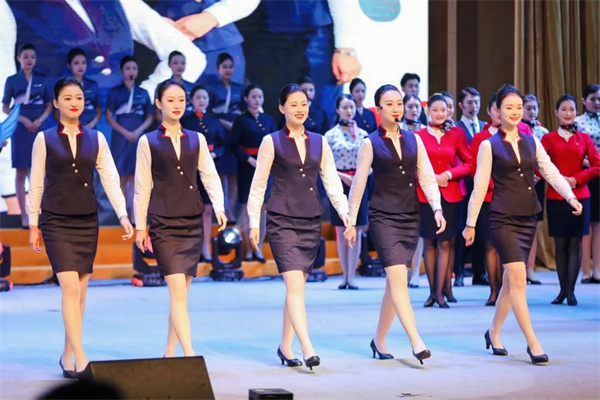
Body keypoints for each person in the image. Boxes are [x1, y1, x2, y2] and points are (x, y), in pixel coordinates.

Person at [464, 84, 582, 364]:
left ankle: (493, 332)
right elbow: (479, 188)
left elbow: (550, 171)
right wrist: (470, 224)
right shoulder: (488, 145)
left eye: (518, 107)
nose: (515, 112)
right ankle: (533, 342)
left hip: (527, 217)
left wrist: (570, 196)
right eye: (509, 107)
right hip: (502, 218)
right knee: (518, 279)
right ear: (497, 111)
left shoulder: (532, 141)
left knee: (510, 282)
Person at [28, 76, 133, 377]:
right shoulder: (44, 138)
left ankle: (67, 355)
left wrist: (123, 215)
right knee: (70, 288)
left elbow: (110, 178)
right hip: (56, 220)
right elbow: (36, 183)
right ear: (56, 102)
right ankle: (83, 358)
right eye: (68, 98)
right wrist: (34, 224)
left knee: (81, 293)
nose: (74, 103)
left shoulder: (96, 138)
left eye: (79, 98)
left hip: (87, 220)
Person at [247, 84, 350, 370]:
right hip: (281, 220)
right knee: (294, 286)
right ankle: (307, 347)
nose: (300, 109)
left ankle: (285, 346)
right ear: (282, 108)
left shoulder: (319, 141)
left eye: (303, 103)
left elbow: (331, 181)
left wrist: (345, 213)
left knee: (297, 289)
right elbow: (258, 186)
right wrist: (254, 222)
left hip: (310, 219)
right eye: (293, 104)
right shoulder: (271, 141)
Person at [345, 84, 445, 363]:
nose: (396, 108)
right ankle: (416, 340)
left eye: (398, 103)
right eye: (389, 104)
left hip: (410, 216)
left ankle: (378, 340)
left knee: (395, 282)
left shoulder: (415, 140)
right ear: (378, 109)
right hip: (383, 217)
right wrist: (351, 220)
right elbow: (358, 185)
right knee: (399, 278)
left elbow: (427, 177)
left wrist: (437, 208)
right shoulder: (370, 143)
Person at [134, 79, 226, 358]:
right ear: (158, 103)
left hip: (191, 220)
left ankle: (169, 352)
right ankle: (189, 354)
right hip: (163, 223)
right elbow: (142, 187)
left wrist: (219, 206)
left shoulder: (197, 139)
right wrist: (141, 227)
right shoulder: (147, 141)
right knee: (176, 292)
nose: (177, 105)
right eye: (170, 100)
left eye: (181, 100)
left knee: (181, 295)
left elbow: (209, 175)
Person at [542, 94, 600, 305]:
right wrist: (555, 179)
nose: (568, 113)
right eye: (564, 109)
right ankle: (562, 290)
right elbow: (540, 166)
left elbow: (597, 165)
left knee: (575, 243)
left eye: (572, 109)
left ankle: (571, 291)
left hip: (580, 196)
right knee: (560, 243)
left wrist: (576, 179)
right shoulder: (548, 139)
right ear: (556, 113)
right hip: (556, 197)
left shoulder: (584, 138)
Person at [416, 94, 472, 308]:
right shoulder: (418, 136)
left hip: (450, 194)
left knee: (446, 242)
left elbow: (469, 163)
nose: (440, 114)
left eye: (444, 110)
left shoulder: (456, 134)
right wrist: (430, 178)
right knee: (429, 243)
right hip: (425, 196)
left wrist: (448, 174)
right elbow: (413, 167)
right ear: (427, 111)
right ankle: (432, 292)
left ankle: (440, 293)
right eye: (435, 110)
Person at [2, 43, 53, 228]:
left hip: (38, 129)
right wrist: (22, 120)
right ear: (19, 59)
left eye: (32, 57)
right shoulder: (12, 80)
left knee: (38, 172)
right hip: (21, 130)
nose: (29, 60)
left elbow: (49, 105)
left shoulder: (43, 80)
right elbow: (5, 107)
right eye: (25, 57)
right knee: (21, 172)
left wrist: (39, 121)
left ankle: (36, 213)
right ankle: (24, 215)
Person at [324, 94, 368, 289]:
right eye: (345, 107)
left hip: (359, 182)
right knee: (341, 229)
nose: (349, 111)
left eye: (351, 107)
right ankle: (344, 276)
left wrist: (358, 177)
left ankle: (352, 276)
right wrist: (344, 177)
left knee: (355, 229)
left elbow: (371, 163)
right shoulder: (330, 135)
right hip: (339, 183)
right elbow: (325, 165)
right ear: (337, 110)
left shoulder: (364, 135)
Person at [181, 84, 227, 262]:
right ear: (191, 100)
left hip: (209, 169)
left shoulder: (214, 120)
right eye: (198, 97)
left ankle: (205, 249)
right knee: (190, 210)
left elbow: (223, 143)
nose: (201, 101)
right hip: (190, 170)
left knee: (207, 210)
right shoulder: (185, 120)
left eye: (204, 98)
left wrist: (215, 154)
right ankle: (190, 249)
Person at [106, 56, 154, 223]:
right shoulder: (115, 92)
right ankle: (122, 215)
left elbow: (150, 116)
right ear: (122, 71)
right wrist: (125, 132)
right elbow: (109, 117)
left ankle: (135, 215)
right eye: (128, 68)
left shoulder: (143, 93)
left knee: (135, 176)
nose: (131, 71)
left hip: (137, 137)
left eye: (134, 68)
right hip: (120, 137)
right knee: (121, 176)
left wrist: (138, 131)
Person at [232, 84, 276, 262]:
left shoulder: (268, 119)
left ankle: (258, 249)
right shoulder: (240, 120)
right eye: (253, 97)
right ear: (246, 98)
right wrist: (249, 159)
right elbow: (233, 145)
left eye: (260, 97)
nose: (257, 100)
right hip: (247, 168)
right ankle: (247, 250)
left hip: (265, 169)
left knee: (263, 210)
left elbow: (275, 142)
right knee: (247, 208)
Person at [467, 93, 504, 305]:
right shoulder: (480, 137)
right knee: (490, 244)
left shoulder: (518, 134)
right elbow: (474, 168)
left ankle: (506, 290)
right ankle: (493, 290)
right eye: (496, 109)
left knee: (505, 247)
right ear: (489, 111)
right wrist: (491, 184)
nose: (500, 113)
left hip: (509, 198)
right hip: (488, 197)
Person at [207, 52, 244, 221]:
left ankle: (231, 213)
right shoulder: (212, 88)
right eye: (224, 67)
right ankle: (222, 211)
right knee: (221, 176)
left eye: (230, 67)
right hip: (219, 134)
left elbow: (244, 111)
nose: (228, 70)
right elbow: (208, 113)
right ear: (217, 69)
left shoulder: (239, 88)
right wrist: (223, 123)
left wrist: (236, 127)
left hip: (236, 134)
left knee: (234, 176)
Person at [522, 94, 549, 285]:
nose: (532, 112)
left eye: (534, 108)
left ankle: (530, 269)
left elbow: (546, 159)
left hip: (538, 183)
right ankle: (518, 268)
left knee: (533, 226)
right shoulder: (516, 130)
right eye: (528, 108)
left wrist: (539, 175)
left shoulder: (542, 132)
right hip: (519, 182)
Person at [575, 83, 600, 284]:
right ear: (584, 101)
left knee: (599, 224)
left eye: (599, 99)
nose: (597, 103)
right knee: (587, 224)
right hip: (587, 174)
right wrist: (593, 164)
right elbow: (576, 152)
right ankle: (585, 269)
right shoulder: (578, 123)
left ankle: (597, 269)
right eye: (593, 99)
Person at [65, 48, 102, 128]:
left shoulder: (93, 85)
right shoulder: (63, 86)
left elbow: (98, 111)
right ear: (69, 65)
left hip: (90, 129)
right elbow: (57, 113)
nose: (80, 66)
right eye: (76, 63)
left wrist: (91, 124)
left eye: (83, 63)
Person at [167, 51, 195, 118]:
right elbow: (157, 112)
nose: (179, 66)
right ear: (169, 65)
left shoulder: (192, 87)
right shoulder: (163, 86)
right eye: (175, 63)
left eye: (183, 63)